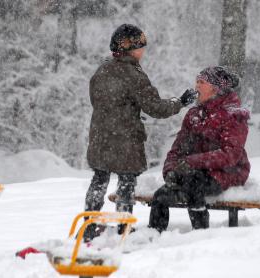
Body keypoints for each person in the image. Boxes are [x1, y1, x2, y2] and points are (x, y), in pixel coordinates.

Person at [84, 24, 197, 240]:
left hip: (100, 136)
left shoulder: (101, 70)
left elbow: (98, 102)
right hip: (125, 140)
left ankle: (89, 225)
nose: (143, 52)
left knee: (99, 180)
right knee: (126, 183)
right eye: (140, 47)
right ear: (131, 48)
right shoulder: (134, 75)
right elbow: (156, 108)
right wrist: (180, 102)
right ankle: (122, 227)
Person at [148, 66, 251, 232]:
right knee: (161, 195)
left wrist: (191, 162)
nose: (196, 86)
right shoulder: (194, 115)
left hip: (228, 171)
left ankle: (200, 235)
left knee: (193, 185)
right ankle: (153, 236)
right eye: (196, 81)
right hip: (194, 171)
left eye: (201, 82)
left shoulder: (233, 115)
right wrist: (170, 171)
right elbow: (177, 149)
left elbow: (230, 155)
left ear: (215, 88)